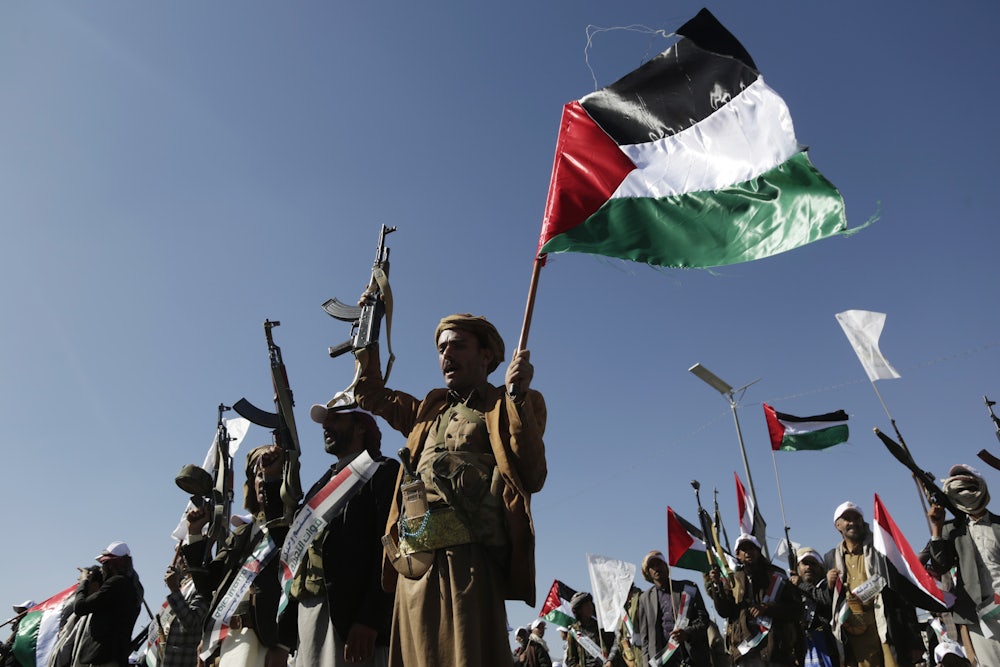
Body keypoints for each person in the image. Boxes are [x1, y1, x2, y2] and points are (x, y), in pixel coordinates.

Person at [355, 313, 547, 667]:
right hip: (413, 562)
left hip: (467, 563)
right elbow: (369, 394)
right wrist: (370, 325)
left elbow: (533, 475)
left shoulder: (509, 404)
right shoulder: (427, 409)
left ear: (487, 356)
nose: (447, 354)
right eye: (442, 348)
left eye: (458, 345)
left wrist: (517, 396)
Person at [277, 407, 399, 666]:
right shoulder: (320, 486)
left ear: (361, 426)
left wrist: (370, 618)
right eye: (326, 420)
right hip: (308, 614)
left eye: (336, 418)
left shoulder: (383, 472)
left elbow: (390, 550)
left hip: (351, 620)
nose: (326, 426)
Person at [183, 445, 289, 667]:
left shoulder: (291, 526)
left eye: (269, 474)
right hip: (229, 640)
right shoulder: (242, 534)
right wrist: (194, 533)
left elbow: (293, 587)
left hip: (265, 642)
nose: (263, 481)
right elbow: (207, 584)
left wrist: (283, 645)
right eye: (258, 475)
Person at [824, 502, 923, 667]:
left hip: (888, 627)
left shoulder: (881, 548)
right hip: (857, 634)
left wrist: (914, 639)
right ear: (838, 525)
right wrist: (829, 584)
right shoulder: (831, 558)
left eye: (857, 518)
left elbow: (903, 592)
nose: (852, 522)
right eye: (847, 519)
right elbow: (831, 602)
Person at [927, 464, 1000, 665]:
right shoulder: (951, 530)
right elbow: (940, 566)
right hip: (979, 618)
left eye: (968, 485)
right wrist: (936, 528)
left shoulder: (998, 525)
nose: (966, 493)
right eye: (959, 489)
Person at [707, 534, 802, 666]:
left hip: (776, 649)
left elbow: (795, 609)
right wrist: (717, 585)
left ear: (758, 551)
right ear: (738, 555)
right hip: (746, 652)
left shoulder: (777, 575)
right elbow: (725, 611)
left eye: (752, 548)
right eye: (744, 549)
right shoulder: (733, 580)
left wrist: (767, 608)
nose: (748, 552)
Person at [70, 541, 144, 667]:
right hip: (115, 657)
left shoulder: (116, 583)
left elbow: (80, 607)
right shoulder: (132, 585)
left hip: (105, 658)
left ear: (112, 565)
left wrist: (84, 582)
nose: (101, 568)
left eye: (104, 563)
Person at [635, 550, 711, 667]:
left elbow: (704, 620)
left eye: (659, 563)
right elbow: (645, 639)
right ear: (648, 572)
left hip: (691, 658)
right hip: (663, 661)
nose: (656, 568)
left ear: (666, 566)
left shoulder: (689, 588)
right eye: (652, 566)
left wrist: (687, 633)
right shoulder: (644, 598)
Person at [790, 547, 839, 667]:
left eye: (813, 563)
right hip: (804, 648)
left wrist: (802, 585)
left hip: (828, 646)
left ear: (820, 567)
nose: (808, 567)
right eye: (804, 563)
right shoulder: (792, 590)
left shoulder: (827, 587)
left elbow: (824, 599)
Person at [154, 562, 209, 667]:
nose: (178, 559)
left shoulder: (203, 587)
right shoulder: (183, 586)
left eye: (182, 553)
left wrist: (174, 589)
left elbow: (191, 622)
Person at [564, 592, 615, 667]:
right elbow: (571, 660)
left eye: (591, 604)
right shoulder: (573, 632)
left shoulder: (601, 627)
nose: (591, 607)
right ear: (579, 610)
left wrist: (610, 660)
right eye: (587, 605)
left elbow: (613, 646)